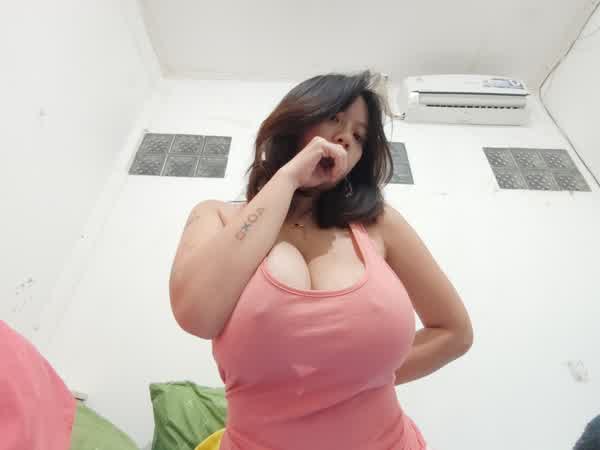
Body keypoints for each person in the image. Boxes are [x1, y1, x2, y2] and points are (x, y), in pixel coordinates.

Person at [169, 71, 473, 450]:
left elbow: (454, 332)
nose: (346, 137)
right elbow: (196, 314)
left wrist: (356, 378)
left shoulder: (380, 224)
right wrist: (287, 179)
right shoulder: (216, 216)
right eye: (334, 118)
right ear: (296, 119)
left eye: (359, 136)